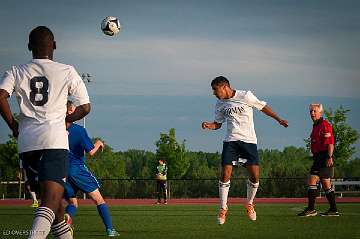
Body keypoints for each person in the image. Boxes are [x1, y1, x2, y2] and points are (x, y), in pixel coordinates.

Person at [0, 26, 90, 239]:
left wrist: (13, 125)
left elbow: (1, 96)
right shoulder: (67, 71)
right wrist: (66, 119)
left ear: (29, 47)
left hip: (27, 142)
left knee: (56, 206)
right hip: (54, 141)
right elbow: (85, 107)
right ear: (55, 46)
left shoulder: (16, 70)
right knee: (51, 201)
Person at [201, 76, 288, 225]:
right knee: (225, 173)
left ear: (224, 87)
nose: (214, 93)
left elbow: (262, 107)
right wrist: (210, 125)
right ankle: (223, 208)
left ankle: (249, 204)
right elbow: (218, 124)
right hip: (231, 141)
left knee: (255, 177)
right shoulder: (220, 104)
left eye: (215, 90)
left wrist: (278, 119)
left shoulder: (245, 95)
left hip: (249, 142)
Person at [64, 101, 120, 237]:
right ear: (70, 111)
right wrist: (99, 143)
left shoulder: (55, 129)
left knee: (73, 202)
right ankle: (110, 230)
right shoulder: (78, 130)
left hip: (62, 171)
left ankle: (66, 220)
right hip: (77, 169)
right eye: (74, 109)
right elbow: (91, 151)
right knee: (99, 200)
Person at [298, 103, 339, 217]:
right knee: (326, 183)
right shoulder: (315, 125)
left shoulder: (324, 125)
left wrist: (329, 157)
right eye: (311, 111)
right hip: (318, 157)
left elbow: (330, 143)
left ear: (321, 113)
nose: (312, 113)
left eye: (315, 111)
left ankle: (311, 209)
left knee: (312, 180)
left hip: (324, 157)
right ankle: (333, 210)